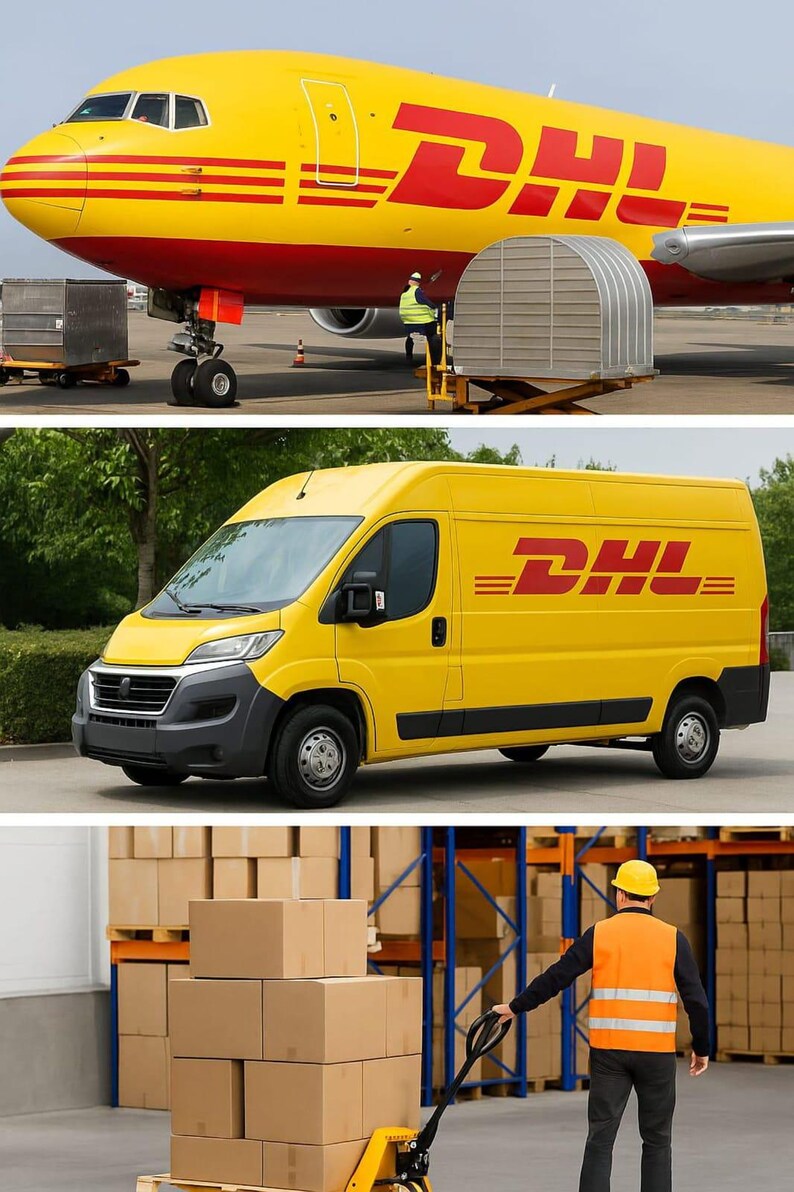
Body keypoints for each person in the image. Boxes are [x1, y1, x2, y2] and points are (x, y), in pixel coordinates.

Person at [493, 860, 710, 1192]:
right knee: (656, 1141)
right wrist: (702, 1046)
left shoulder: (600, 933)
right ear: (652, 898)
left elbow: (557, 977)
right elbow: (696, 998)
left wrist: (515, 1007)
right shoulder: (673, 938)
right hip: (656, 1056)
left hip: (609, 1054)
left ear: (619, 894)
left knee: (600, 1138)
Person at [399, 271, 440, 364]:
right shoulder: (417, 291)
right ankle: (435, 360)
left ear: (409, 281)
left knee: (409, 338)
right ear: (418, 282)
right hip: (422, 322)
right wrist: (435, 307)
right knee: (434, 337)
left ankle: (409, 356)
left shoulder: (404, 294)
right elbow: (426, 302)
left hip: (408, 322)